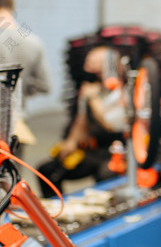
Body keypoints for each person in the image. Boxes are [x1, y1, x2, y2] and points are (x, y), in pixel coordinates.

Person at [35, 45, 126, 195]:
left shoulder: (122, 90)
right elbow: (81, 120)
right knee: (47, 172)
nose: (88, 67)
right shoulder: (90, 87)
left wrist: (93, 98)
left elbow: (111, 125)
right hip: (92, 150)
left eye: (94, 63)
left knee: (106, 174)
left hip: (115, 150)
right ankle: (58, 211)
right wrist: (71, 142)